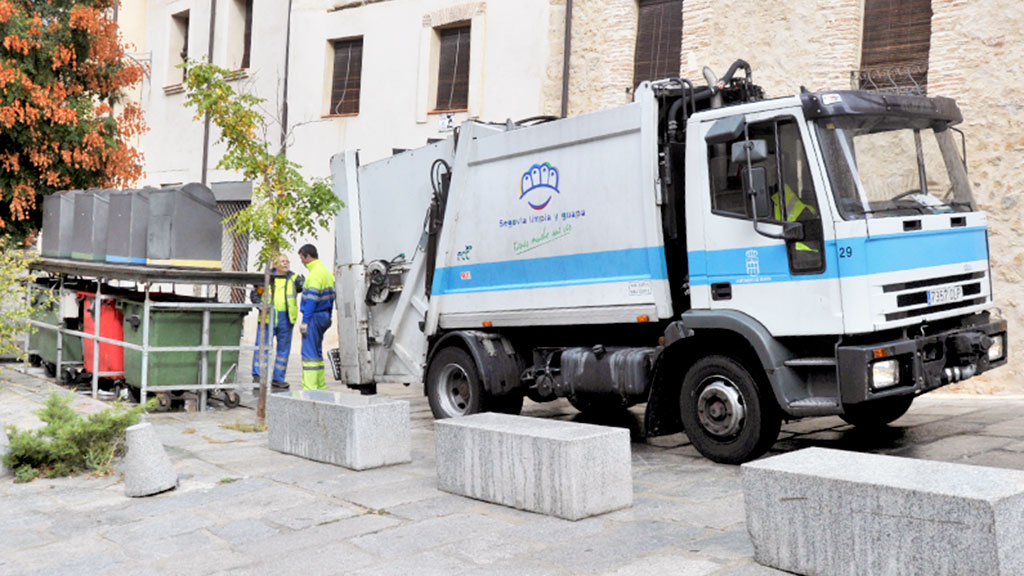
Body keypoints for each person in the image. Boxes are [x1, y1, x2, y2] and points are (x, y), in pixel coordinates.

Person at [251, 254, 303, 392]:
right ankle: (258, 376)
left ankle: (278, 378)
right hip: (267, 318)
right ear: (275, 265)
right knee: (262, 348)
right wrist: (261, 306)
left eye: (287, 261)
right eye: (283, 262)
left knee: (283, 350)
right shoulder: (266, 278)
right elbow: (255, 295)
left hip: (285, 318)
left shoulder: (294, 278)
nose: (286, 264)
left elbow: (303, 287)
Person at [298, 244, 335, 390]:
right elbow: (332, 297)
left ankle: (310, 388)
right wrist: (329, 316)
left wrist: (305, 321)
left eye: (301, 258)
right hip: (324, 315)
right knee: (317, 353)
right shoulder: (325, 272)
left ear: (307, 257)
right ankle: (320, 386)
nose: (301, 261)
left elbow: (312, 300)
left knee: (309, 355)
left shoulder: (314, 274)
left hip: (314, 317)